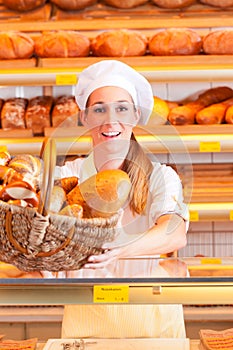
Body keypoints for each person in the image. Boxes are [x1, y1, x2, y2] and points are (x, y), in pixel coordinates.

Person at [44, 59, 189, 339]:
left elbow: (174, 233)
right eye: (99, 109)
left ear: (135, 114)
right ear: (85, 117)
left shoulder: (160, 177)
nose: (111, 121)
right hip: (85, 324)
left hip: (152, 325)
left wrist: (117, 247)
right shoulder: (66, 176)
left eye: (121, 108)